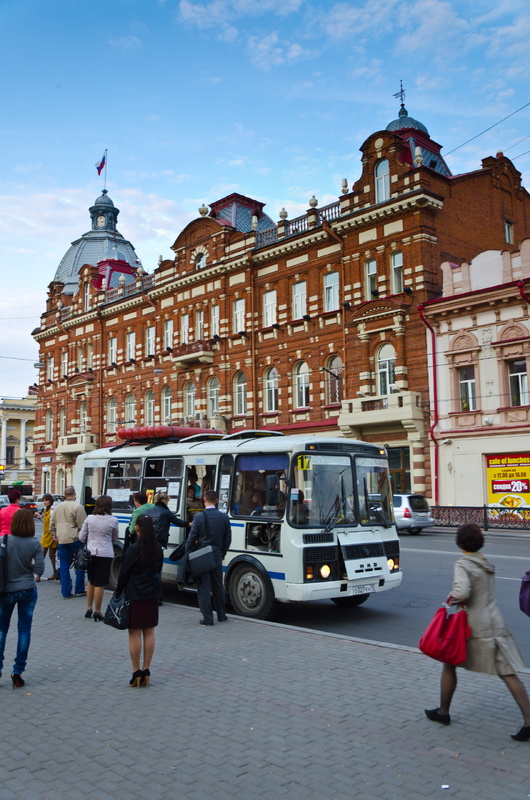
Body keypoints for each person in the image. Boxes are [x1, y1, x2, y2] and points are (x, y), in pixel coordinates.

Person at [425, 523, 530, 742]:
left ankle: (443, 713)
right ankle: (529, 722)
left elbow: (463, 591)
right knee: (508, 672)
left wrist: (451, 599)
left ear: (459, 543)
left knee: (449, 662)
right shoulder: (485, 562)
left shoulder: (463, 564)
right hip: (496, 623)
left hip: (474, 627)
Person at [116, 514, 163, 688]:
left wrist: (118, 592)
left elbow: (124, 572)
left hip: (134, 594)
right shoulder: (158, 548)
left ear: (137, 528)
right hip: (151, 594)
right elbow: (158, 569)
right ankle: (146, 670)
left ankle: (136, 671)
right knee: (149, 632)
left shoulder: (134, 549)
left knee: (134, 632)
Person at [0, 508, 44, 688]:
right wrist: (29, 565)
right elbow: (40, 570)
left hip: (6, 590)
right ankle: (17, 671)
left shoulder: (3, 541)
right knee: (24, 630)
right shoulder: (34, 543)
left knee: (2, 630)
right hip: (27, 590)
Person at [185, 489, 231, 626]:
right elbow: (227, 539)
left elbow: (191, 539)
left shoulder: (199, 517)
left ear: (204, 500)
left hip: (202, 555)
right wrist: (222, 553)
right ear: (216, 501)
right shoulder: (224, 518)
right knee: (218, 585)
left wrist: (188, 553)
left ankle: (208, 618)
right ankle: (222, 615)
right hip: (216, 554)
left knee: (204, 587)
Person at [78, 495, 119, 621]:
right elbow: (115, 539)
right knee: (100, 584)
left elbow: (81, 537)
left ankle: (88, 608)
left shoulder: (90, 518)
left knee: (91, 581)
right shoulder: (113, 520)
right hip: (105, 554)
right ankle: (97, 611)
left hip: (91, 553)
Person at [145, 491, 189, 603]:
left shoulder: (148, 511)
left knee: (149, 569)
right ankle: (158, 597)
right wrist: (190, 524)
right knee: (157, 570)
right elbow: (178, 522)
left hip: (147, 543)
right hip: (159, 545)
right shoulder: (165, 512)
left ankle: (148, 594)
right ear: (164, 500)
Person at [49, 485, 87, 599]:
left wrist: (55, 535)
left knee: (64, 566)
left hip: (62, 540)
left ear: (65, 495)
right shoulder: (78, 507)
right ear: (74, 494)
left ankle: (66, 592)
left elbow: (51, 525)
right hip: (75, 539)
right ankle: (79, 589)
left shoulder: (57, 508)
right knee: (80, 564)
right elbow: (83, 525)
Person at [37, 493, 58, 581]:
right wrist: (39, 517)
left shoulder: (53, 510)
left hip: (52, 535)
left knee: (51, 554)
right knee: (43, 554)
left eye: (47, 500)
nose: (45, 502)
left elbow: (54, 523)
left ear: (51, 501)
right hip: (46, 534)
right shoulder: (45, 509)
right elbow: (45, 522)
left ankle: (54, 573)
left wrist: (56, 535)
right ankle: (39, 574)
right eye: (44, 500)